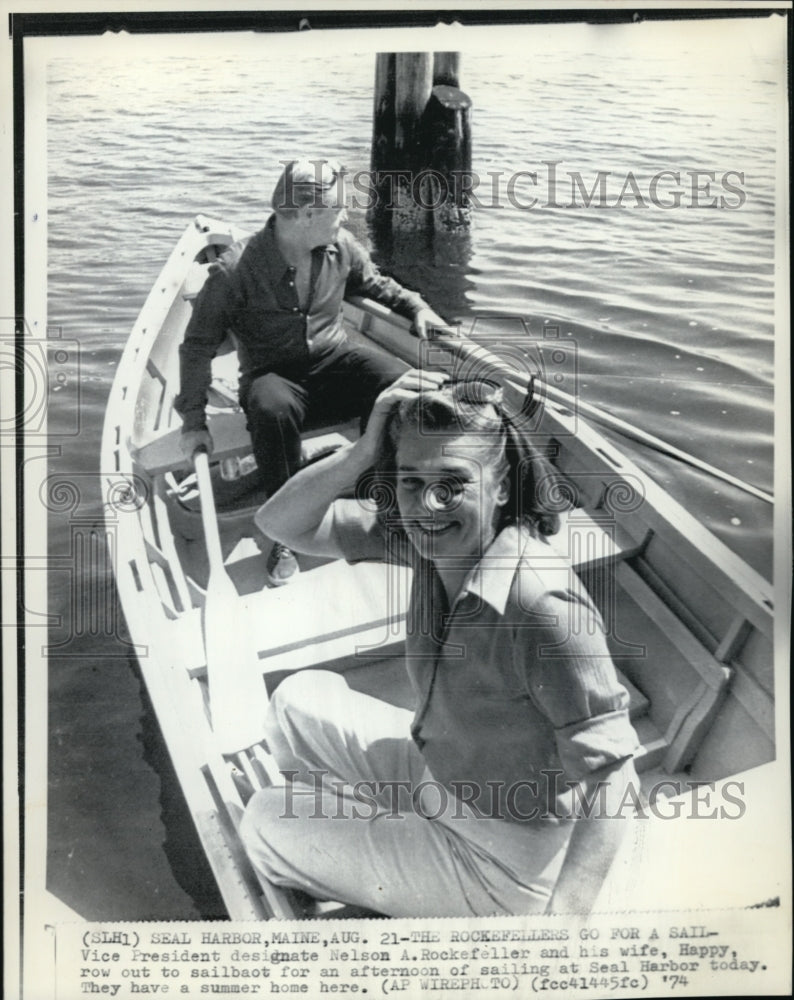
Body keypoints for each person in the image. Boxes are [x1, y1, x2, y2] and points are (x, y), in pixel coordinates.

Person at [240, 369, 640, 917]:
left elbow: (615, 783)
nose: (428, 505)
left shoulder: (542, 608)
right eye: (410, 481)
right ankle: (364, 838)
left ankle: (357, 850)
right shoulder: (430, 543)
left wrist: (563, 929)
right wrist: (362, 452)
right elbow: (280, 523)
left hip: (504, 856)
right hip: (444, 778)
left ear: (501, 487)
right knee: (295, 700)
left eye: (453, 483)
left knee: (264, 818)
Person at [175, 158, 450, 585]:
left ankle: (389, 498)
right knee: (272, 406)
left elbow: (376, 284)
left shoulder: (340, 247)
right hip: (274, 375)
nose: (345, 217)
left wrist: (417, 306)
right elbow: (196, 347)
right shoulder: (235, 270)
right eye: (338, 210)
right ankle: (284, 530)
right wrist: (193, 420)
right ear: (306, 215)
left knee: (398, 384)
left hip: (334, 360)